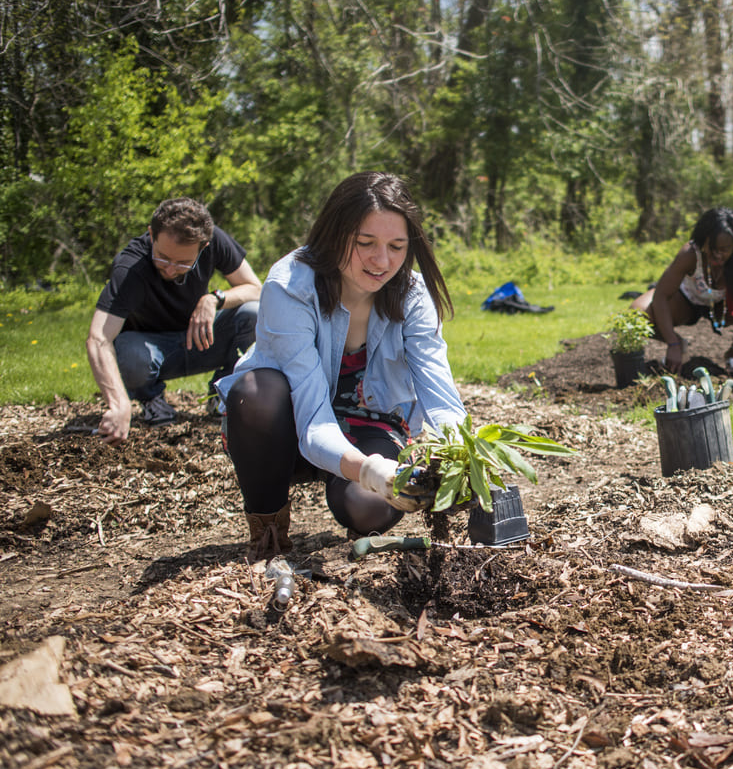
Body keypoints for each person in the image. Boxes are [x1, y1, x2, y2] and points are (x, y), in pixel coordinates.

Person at [216, 172, 467, 561]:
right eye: (365, 243)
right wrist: (368, 471)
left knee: (368, 508)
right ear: (335, 235)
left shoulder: (412, 294)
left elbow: (440, 395)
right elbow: (313, 417)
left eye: (397, 246)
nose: (382, 261)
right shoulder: (291, 287)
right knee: (254, 394)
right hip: (287, 428)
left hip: (368, 426)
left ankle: (355, 491)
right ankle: (268, 532)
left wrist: (460, 458)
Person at [86, 198, 261, 444]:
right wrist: (119, 403)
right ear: (151, 235)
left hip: (202, 339)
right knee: (130, 352)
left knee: (254, 313)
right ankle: (150, 399)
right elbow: (98, 338)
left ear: (204, 247)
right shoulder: (130, 268)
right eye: (162, 257)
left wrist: (213, 300)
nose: (169, 270)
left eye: (182, 263)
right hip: (151, 351)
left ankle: (223, 390)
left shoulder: (215, 241)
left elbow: (256, 288)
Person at [630, 207, 733, 380]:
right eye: (712, 248)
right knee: (636, 314)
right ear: (703, 242)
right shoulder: (690, 253)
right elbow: (661, 296)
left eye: (724, 249)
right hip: (685, 303)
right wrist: (672, 343)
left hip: (722, 308)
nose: (717, 254)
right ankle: (680, 344)